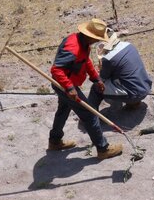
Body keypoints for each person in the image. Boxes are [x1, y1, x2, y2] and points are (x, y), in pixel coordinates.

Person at [49, 18, 123, 160]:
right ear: (89, 35)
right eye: (96, 38)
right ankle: (103, 149)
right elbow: (56, 70)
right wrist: (70, 88)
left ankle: (55, 141)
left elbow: (86, 61)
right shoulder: (73, 48)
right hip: (64, 85)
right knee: (89, 115)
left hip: (67, 85)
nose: (96, 41)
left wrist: (96, 79)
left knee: (63, 110)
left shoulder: (82, 42)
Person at [88, 30, 152, 111]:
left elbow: (102, 79)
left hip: (134, 94)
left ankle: (91, 117)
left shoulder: (108, 58)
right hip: (145, 87)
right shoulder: (129, 45)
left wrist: (99, 69)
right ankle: (134, 103)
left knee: (96, 88)